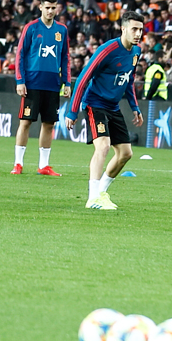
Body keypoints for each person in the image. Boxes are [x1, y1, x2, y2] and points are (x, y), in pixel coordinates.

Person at [64, 11, 145, 210]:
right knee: (103, 147)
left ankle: (101, 192)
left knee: (126, 153)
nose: (138, 33)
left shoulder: (136, 52)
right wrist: (72, 112)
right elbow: (83, 78)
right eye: (134, 29)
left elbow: (129, 80)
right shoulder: (107, 50)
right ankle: (93, 198)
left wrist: (135, 107)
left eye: (141, 30)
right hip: (95, 104)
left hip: (113, 107)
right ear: (123, 28)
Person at [11, 0, 71, 176]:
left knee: (49, 124)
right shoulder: (31, 28)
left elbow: (65, 58)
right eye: (47, 7)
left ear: (57, 8)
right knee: (26, 122)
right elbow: (20, 54)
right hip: (32, 83)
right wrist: (20, 80)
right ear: (40, 7)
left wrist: (67, 82)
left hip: (52, 84)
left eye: (54, 8)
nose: (51, 11)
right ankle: (18, 163)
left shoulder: (62, 30)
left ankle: (43, 165)